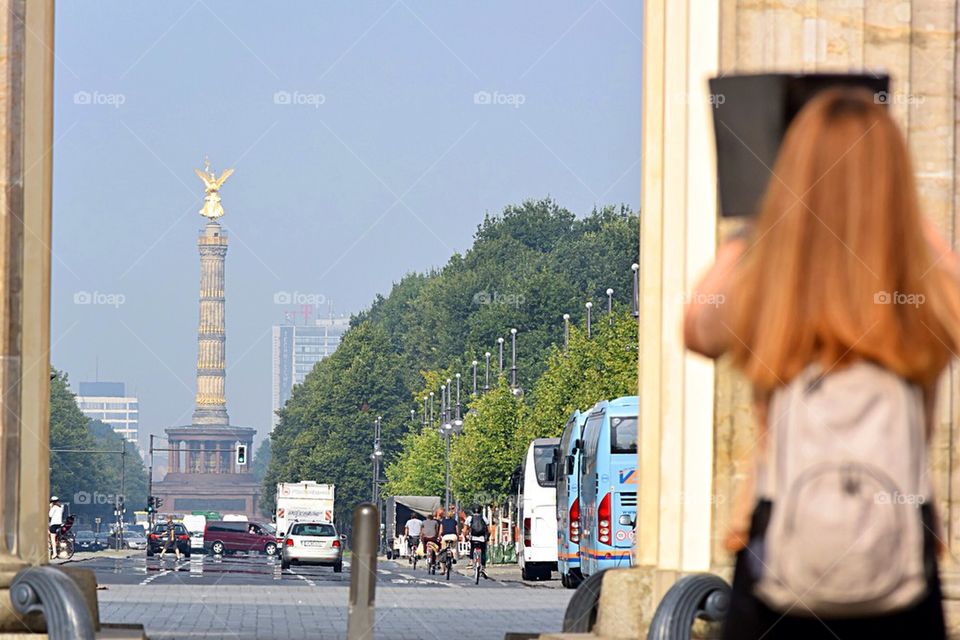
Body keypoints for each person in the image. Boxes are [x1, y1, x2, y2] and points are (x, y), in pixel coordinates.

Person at [685, 88, 959, 639]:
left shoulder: (775, 292)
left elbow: (698, 328)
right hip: (899, 550)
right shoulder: (914, 297)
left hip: (780, 545)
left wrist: (759, 216)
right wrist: (907, 223)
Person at [463, 505, 489, 578]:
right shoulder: (483, 517)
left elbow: (465, 530)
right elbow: (489, 530)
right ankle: (483, 567)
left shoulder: (469, 518)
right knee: (483, 551)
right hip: (482, 538)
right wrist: (487, 537)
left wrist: (465, 537)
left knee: (472, 547)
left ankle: (471, 560)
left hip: (473, 538)